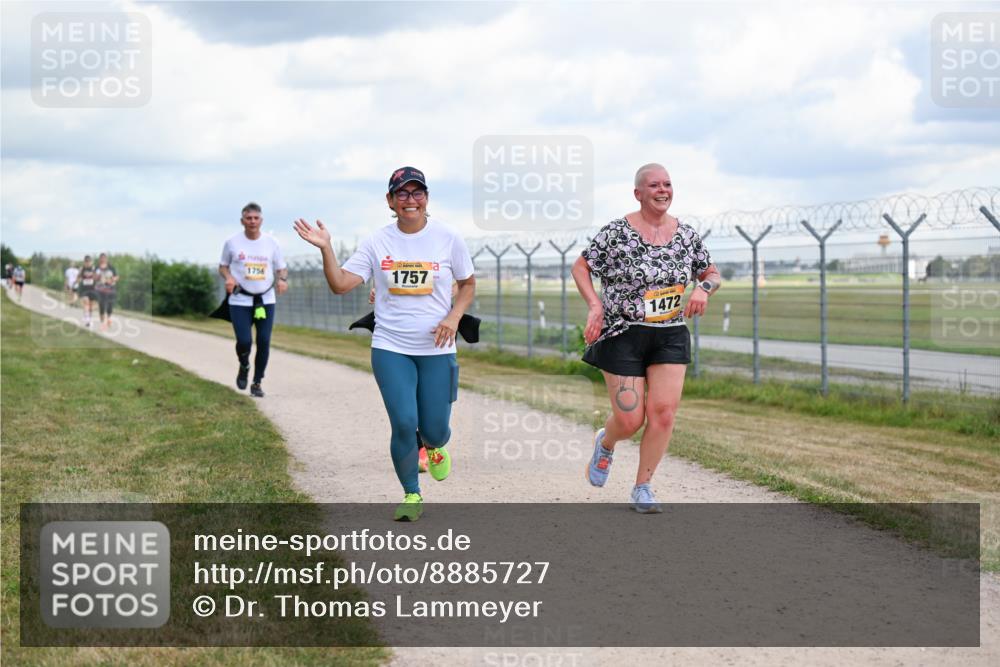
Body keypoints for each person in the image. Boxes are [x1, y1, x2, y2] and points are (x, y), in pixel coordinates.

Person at [294, 166, 476, 522]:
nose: (411, 200)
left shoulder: (448, 237)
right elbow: (342, 284)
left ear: (426, 198)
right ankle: (411, 494)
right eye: (402, 194)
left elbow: (467, 284)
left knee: (435, 428)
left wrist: (453, 317)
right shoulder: (378, 241)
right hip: (391, 346)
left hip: (437, 347)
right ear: (390, 201)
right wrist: (326, 248)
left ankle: (435, 445)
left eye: (417, 192)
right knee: (405, 423)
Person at [572, 163, 722, 513]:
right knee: (629, 419)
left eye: (668, 184)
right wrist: (594, 306)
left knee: (664, 414)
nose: (662, 190)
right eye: (654, 185)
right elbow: (581, 267)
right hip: (622, 332)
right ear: (638, 193)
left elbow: (712, 273)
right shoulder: (616, 233)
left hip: (669, 333)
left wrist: (703, 289)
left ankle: (643, 487)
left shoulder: (685, 235)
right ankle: (606, 442)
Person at [219, 202, 288, 398]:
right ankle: (244, 364)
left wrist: (282, 279)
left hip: (265, 299)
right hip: (240, 300)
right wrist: (229, 277)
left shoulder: (271, 242)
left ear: (261, 220)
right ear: (242, 221)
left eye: (256, 218)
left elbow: (281, 267)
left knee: (264, 341)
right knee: (244, 341)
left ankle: (257, 382)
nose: (252, 221)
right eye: (248, 218)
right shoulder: (232, 242)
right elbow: (223, 266)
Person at [94, 253, 119, 330]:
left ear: (106, 259)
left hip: (110, 289)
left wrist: (111, 280)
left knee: (110, 305)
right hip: (100, 289)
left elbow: (117, 277)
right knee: (101, 305)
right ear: (99, 259)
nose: (103, 260)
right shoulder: (97, 268)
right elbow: (93, 277)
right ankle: (102, 323)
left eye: (104, 258)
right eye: (101, 258)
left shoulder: (111, 267)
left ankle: (108, 319)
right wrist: (98, 277)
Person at [75, 255, 97, 327]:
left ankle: (89, 319)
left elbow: (97, 278)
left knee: (91, 306)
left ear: (91, 262)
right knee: (86, 301)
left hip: (92, 289)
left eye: (89, 261)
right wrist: (77, 281)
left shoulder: (94, 269)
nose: (87, 263)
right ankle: (87, 318)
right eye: (86, 262)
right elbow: (78, 278)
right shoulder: (82, 269)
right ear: (84, 262)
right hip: (85, 289)